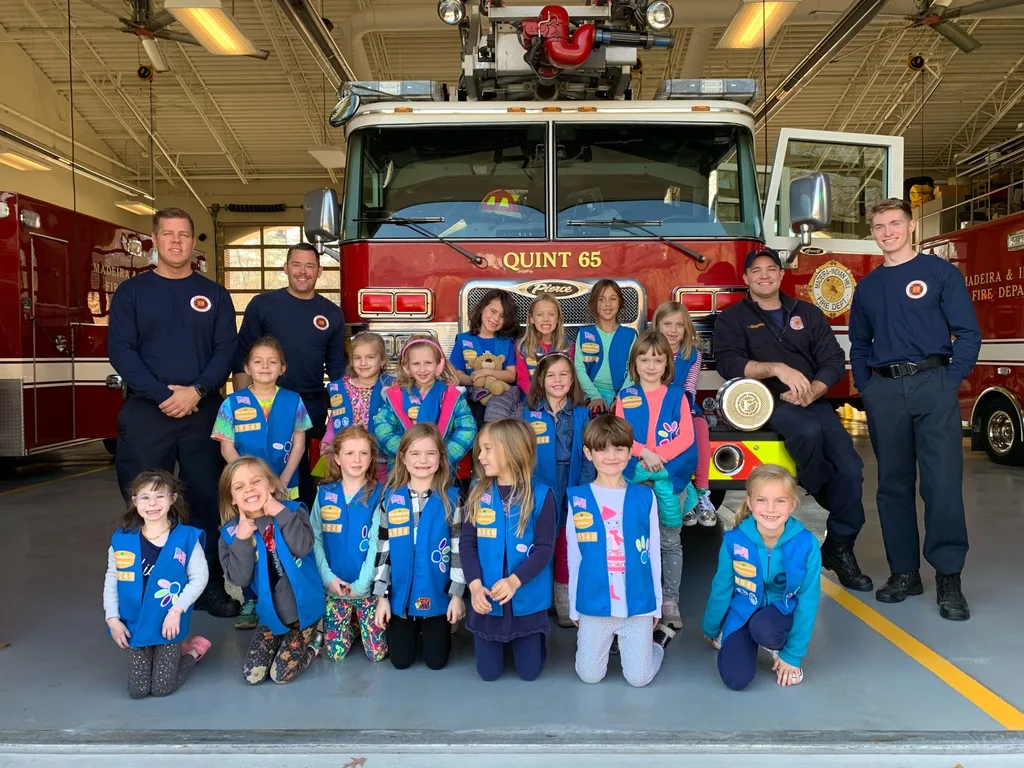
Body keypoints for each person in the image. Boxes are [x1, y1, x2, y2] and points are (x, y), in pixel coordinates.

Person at [849, 198, 981, 621]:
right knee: (892, 485)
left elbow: (968, 333)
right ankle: (904, 572)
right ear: (873, 233)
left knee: (942, 484)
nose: (887, 232)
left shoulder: (941, 273)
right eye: (879, 226)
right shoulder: (868, 287)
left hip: (933, 384)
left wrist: (949, 380)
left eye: (894, 223)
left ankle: (949, 577)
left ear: (911, 227)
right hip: (885, 391)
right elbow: (859, 343)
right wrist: (868, 388)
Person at [714, 246, 872, 593]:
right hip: (763, 403)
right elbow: (727, 362)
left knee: (851, 469)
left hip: (812, 400)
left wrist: (814, 390)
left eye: (771, 269)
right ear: (746, 278)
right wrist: (775, 368)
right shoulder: (732, 318)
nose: (764, 275)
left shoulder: (808, 314)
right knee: (807, 432)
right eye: (756, 270)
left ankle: (839, 548)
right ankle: (824, 489)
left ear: (781, 275)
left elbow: (833, 359)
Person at [109, 207, 239, 618]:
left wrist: (197, 391)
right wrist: (162, 395)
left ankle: (207, 586)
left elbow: (226, 350)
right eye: (168, 234)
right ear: (155, 240)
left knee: (207, 498)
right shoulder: (132, 293)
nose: (176, 241)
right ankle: (146, 585)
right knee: (146, 499)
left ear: (192, 242)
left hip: (203, 410)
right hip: (147, 411)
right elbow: (121, 351)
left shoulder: (214, 295)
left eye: (183, 234)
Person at [233, 243, 347, 509]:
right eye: (296, 265)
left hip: (312, 406)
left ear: (319, 271)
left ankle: (304, 522)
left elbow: (336, 366)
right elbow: (242, 357)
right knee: (263, 466)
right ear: (285, 268)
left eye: (310, 266)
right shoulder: (263, 305)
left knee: (313, 471)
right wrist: (241, 403)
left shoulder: (331, 313)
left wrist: (347, 409)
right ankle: (260, 521)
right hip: (267, 403)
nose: (303, 271)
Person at [568, 415, 668, 688]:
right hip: (594, 603)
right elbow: (574, 557)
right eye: (602, 449)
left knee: (639, 679)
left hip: (637, 605)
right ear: (588, 453)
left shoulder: (645, 496)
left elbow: (653, 555)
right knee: (589, 676)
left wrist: (656, 604)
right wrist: (575, 607)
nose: (611, 456)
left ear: (630, 452)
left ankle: (656, 646)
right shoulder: (577, 498)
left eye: (619, 449)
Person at [702, 464, 821, 690]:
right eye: (762, 500)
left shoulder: (807, 544)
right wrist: (711, 626)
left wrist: (793, 655)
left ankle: (779, 647)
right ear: (750, 502)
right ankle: (732, 633)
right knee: (735, 679)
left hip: (780, 613)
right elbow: (721, 587)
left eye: (780, 501)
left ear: (793, 504)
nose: (770, 509)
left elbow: (808, 600)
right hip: (742, 611)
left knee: (764, 628)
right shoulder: (734, 540)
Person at [614, 331, 698, 632]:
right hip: (636, 477)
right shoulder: (625, 396)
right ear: (634, 363)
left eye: (658, 360)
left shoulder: (678, 396)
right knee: (635, 539)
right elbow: (621, 435)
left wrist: (658, 458)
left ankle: (670, 600)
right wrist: (644, 453)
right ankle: (641, 595)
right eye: (644, 359)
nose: (651, 366)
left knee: (670, 540)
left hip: (669, 476)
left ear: (667, 364)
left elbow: (687, 436)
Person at [103, 470, 211, 698]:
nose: (152, 504)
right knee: (138, 691)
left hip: (168, 622)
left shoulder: (186, 538)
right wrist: (112, 618)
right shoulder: (122, 539)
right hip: (134, 623)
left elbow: (199, 578)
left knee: (162, 688)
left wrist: (176, 611)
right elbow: (112, 578)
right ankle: (168, 654)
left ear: (172, 499)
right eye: (145, 497)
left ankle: (191, 651)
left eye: (159, 496)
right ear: (135, 502)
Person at [462, 420, 556, 681]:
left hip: (525, 598)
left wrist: (514, 581)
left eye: (487, 449)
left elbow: (545, 549)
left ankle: (531, 640)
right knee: (488, 674)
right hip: (488, 598)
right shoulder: (477, 491)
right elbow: (467, 543)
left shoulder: (541, 494)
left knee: (529, 673)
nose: (480, 456)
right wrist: (475, 587)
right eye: (480, 449)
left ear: (512, 450)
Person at [218, 457, 325, 685]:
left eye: (256, 481)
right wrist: (241, 540)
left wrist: (282, 514)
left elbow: (303, 547)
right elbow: (240, 578)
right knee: (252, 676)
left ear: (272, 485)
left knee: (280, 675)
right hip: (271, 616)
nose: (249, 489)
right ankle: (283, 637)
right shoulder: (230, 533)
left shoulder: (293, 511)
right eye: (239, 487)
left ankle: (315, 642)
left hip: (304, 612)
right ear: (232, 498)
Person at [372, 424, 466, 670]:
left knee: (436, 662)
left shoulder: (452, 499)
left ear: (440, 458)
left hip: (437, 594)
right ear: (403, 458)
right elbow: (383, 550)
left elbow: (458, 551)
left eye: (430, 453)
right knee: (400, 661)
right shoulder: (391, 498)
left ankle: (439, 627)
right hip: (400, 597)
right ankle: (410, 626)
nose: (422, 460)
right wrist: (382, 598)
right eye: (415, 453)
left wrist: (457, 596)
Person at [310, 425, 388, 662]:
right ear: (337, 458)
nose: (357, 459)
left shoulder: (380, 493)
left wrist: (363, 585)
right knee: (335, 654)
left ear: (371, 458)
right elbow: (315, 539)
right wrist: (328, 579)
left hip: (367, 588)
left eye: (364, 453)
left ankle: (361, 625)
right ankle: (352, 628)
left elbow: (378, 542)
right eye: (349, 453)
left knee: (377, 654)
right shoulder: (324, 493)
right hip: (335, 586)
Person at [653, 300, 716, 527]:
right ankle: (681, 494)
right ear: (657, 325)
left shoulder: (693, 355)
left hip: (683, 405)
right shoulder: (649, 349)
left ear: (686, 328)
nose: (673, 330)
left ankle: (702, 493)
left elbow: (690, 386)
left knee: (699, 427)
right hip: (654, 405)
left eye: (679, 325)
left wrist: (684, 412)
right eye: (667, 324)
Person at [373, 336, 477, 472]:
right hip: (402, 472)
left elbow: (467, 429)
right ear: (407, 367)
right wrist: (405, 454)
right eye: (416, 364)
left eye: (428, 363)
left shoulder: (452, 396)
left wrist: (443, 457)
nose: (422, 369)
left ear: (439, 366)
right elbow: (382, 426)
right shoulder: (397, 396)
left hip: (441, 472)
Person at [319, 331, 395, 482]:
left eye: (370, 357)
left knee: (379, 491)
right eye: (357, 358)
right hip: (344, 457)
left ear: (382, 360)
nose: (363, 363)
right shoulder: (341, 387)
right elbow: (334, 419)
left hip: (380, 460)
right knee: (326, 480)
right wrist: (327, 441)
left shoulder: (393, 387)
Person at [451, 288, 520, 424]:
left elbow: (512, 375)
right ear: (482, 308)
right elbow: (456, 375)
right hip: (471, 397)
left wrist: (488, 373)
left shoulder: (507, 342)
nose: (496, 319)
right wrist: (476, 379)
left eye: (502, 316)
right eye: (493, 311)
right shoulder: (463, 340)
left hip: (500, 397)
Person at [574, 279, 637, 413]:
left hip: (623, 395)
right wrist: (594, 395)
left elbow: (634, 369)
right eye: (601, 299)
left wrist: (621, 396)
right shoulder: (585, 334)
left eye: (612, 299)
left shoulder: (630, 335)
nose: (607, 304)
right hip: (591, 396)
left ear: (619, 302)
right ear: (594, 303)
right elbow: (579, 368)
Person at [515, 294, 573, 397]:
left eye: (551, 314)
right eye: (540, 314)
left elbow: (571, 377)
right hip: (534, 399)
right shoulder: (522, 347)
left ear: (558, 318)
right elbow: (523, 379)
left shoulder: (567, 345)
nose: (546, 319)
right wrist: (538, 398)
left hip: (562, 397)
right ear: (532, 318)